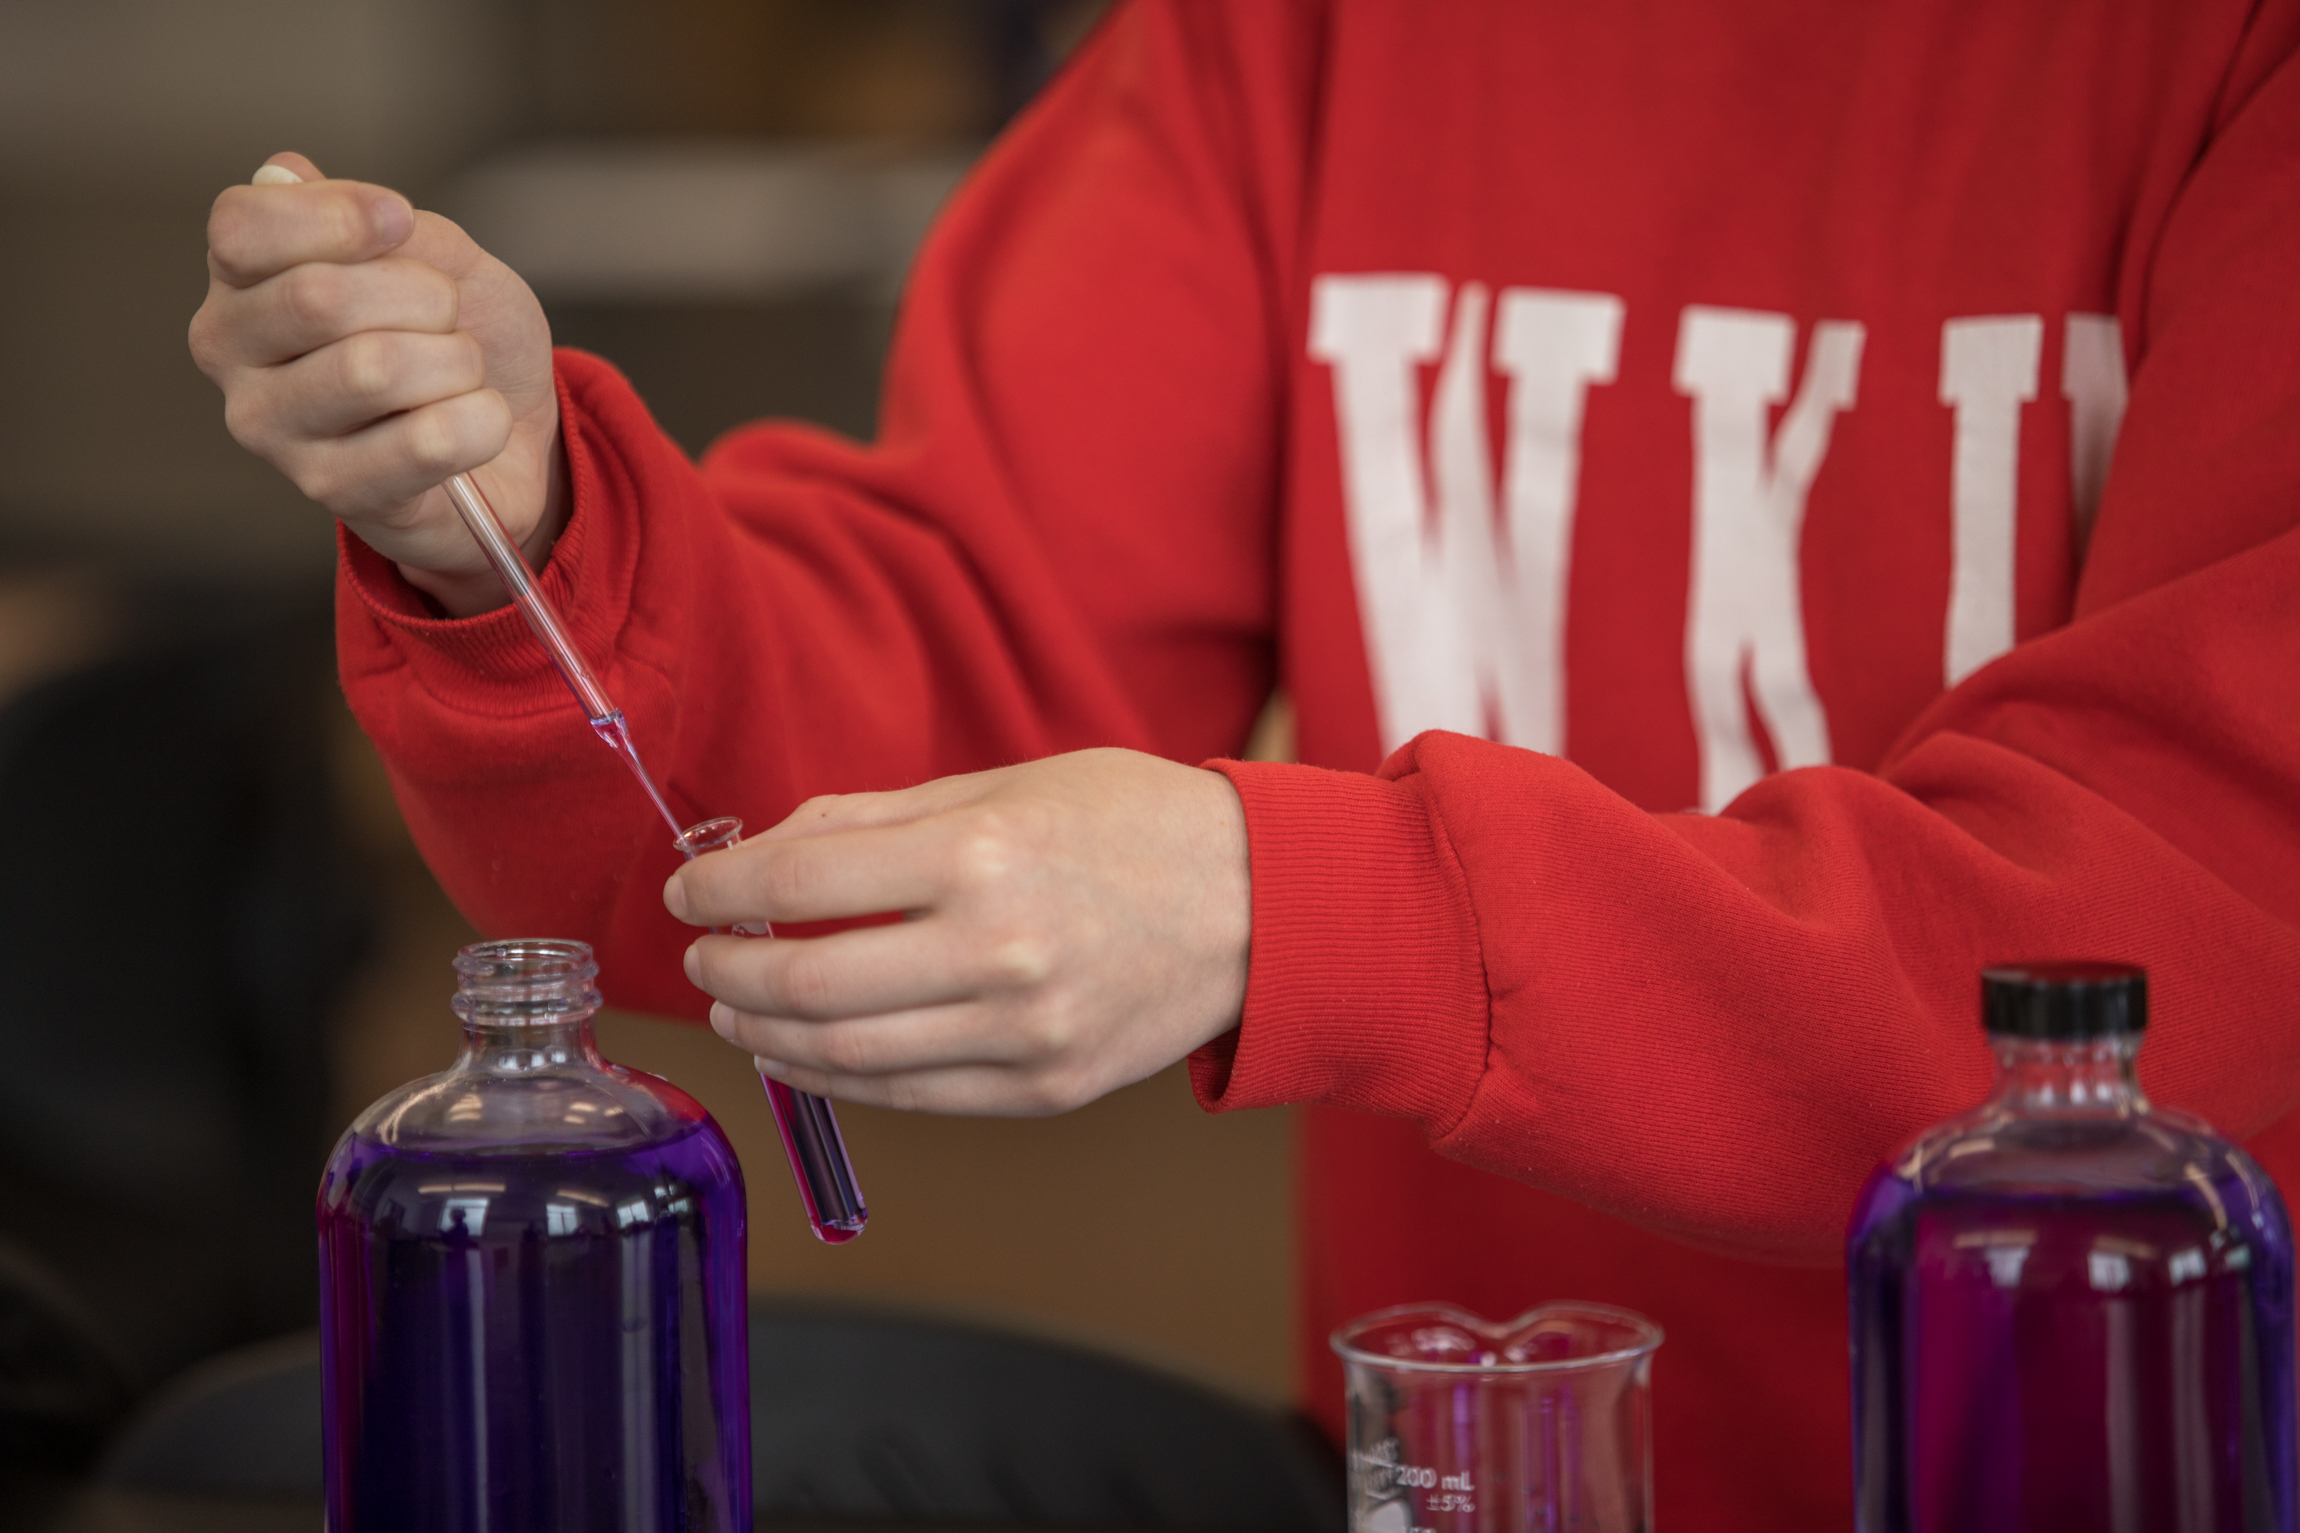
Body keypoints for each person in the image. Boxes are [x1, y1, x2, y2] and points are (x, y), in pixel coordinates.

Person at [189, 1, 2300, 1525]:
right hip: (1460, 1473)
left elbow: (2193, 922)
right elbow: (923, 700)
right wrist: (531, 521)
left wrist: (1290, 904)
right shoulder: (1287, 41)